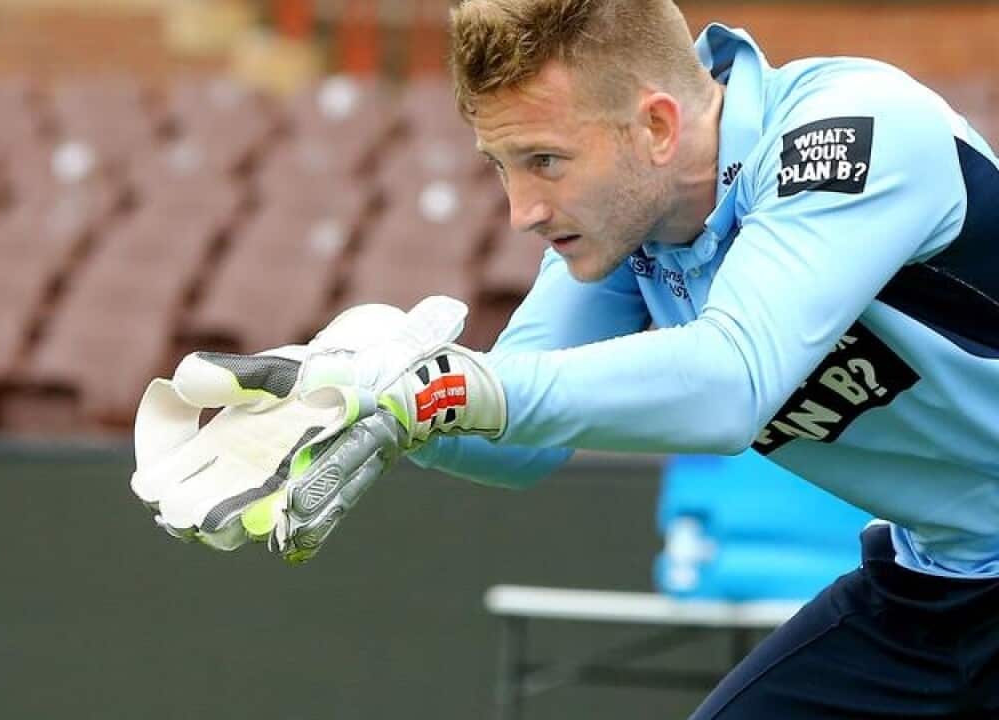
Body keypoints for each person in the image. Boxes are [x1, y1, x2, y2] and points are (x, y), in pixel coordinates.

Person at [134, 0, 999, 716]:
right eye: (502, 166)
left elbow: (731, 384)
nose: (521, 210)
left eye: (545, 160)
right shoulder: (632, 226)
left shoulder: (852, 131)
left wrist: (440, 391)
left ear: (656, 125)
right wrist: (374, 401)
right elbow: (520, 440)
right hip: (942, 586)